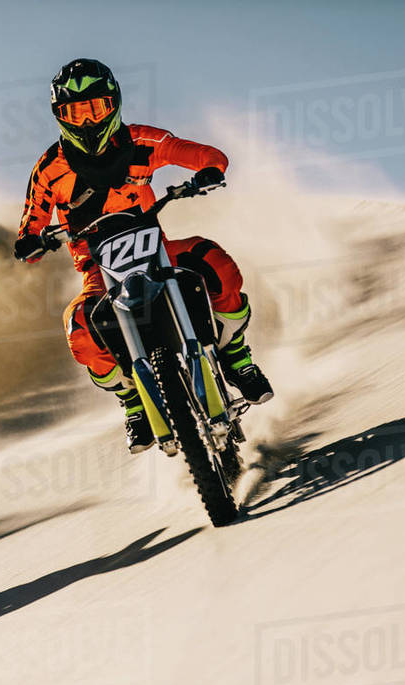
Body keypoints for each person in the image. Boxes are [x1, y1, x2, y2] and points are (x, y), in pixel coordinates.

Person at [14, 59, 273, 453]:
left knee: (213, 260)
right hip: (97, 267)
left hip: (156, 247)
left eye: (95, 109)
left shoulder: (140, 141)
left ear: (113, 104)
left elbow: (196, 152)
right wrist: (31, 241)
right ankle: (133, 402)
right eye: (76, 112)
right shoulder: (50, 169)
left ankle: (235, 355)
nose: (87, 122)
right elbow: (32, 218)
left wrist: (210, 169)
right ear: (60, 116)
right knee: (79, 329)